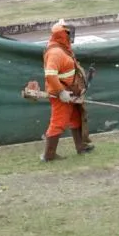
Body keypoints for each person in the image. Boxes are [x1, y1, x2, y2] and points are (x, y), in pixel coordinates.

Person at [41, 18, 93, 162]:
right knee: (58, 122)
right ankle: (49, 155)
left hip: (71, 92)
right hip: (61, 94)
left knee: (76, 119)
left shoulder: (63, 48)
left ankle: (81, 147)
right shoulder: (56, 52)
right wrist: (61, 92)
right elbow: (50, 75)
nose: (71, 36)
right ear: (61, 35)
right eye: (68, 33)